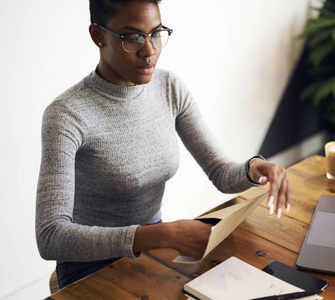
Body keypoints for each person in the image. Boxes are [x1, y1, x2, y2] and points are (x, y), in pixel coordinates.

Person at [35, 0, 290, 289]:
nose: (149, 50)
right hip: (91, 267)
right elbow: (51, 237)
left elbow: (220, 172)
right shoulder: (67, 115)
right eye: (132, 38)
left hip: (152, 251)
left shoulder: (169, 87)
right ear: (97, 35)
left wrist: (255, 168)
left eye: (156, 33)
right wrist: (162, 235)